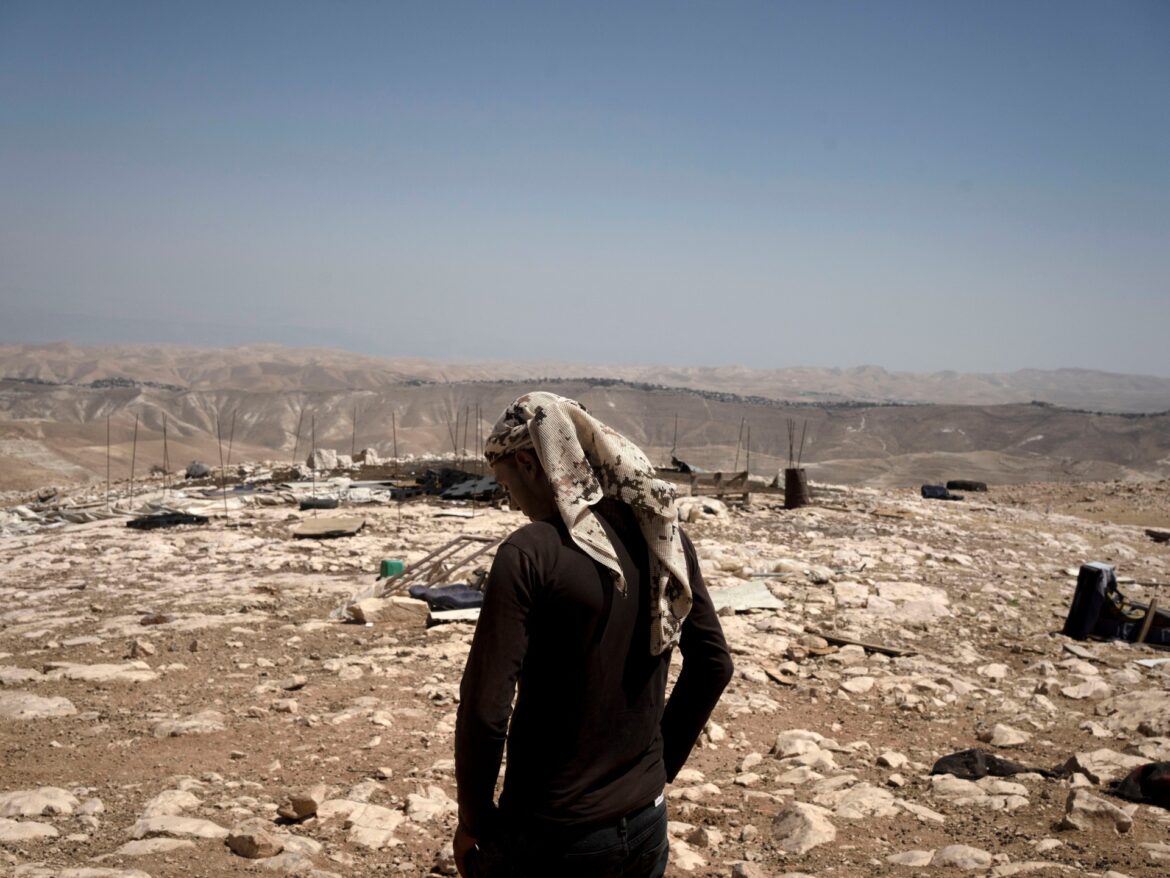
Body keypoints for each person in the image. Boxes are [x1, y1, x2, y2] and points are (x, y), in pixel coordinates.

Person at [454, 393, 734, 878]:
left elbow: (485, 710)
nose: (512, 501)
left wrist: (473, 820)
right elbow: (714, 664)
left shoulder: (530, 551)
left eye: (506, 485)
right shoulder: (663, 537)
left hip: (553, 835)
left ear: (530, 464)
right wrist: (655, 769)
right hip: (646, 823)